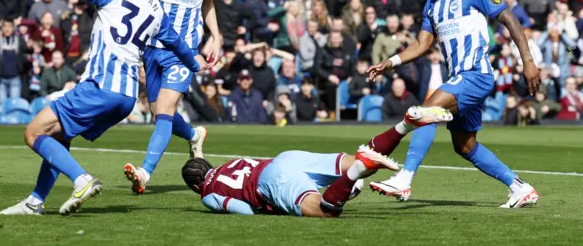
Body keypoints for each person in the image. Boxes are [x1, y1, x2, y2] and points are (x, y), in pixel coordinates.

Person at [0, 0, 207, 216]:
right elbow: (178, 44)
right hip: (126, 98)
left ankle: (82, 179)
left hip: (101, 86)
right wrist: (194, 64)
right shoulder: (156, 9)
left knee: (33, 132)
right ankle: (35, 201)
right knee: (58, 135)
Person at [367, 0, 540, 208]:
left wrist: (527, 60)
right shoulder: (432, 5)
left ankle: (404, 178)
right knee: (465, 146)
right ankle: (519, 188)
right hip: (460, 79)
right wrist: (390, 62)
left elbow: (510, 20)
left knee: (423, 113)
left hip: (476, 75)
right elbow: (421, 45)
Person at [180, 108, 451, 217]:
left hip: (272, 182)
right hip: (285, 159)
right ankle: (405, 124)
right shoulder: (228, 163)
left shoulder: (207, 194)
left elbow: (245, 211)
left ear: (195, 187)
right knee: (354, 157)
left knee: (326, 211)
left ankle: (359, 170)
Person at [123, 0, 221, 195]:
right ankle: (194, 134)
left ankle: (144, 173)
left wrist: (215, 35)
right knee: (158, 114)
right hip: (152, 47)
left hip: (184, 51)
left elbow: (208, 3)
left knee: (165, 110)